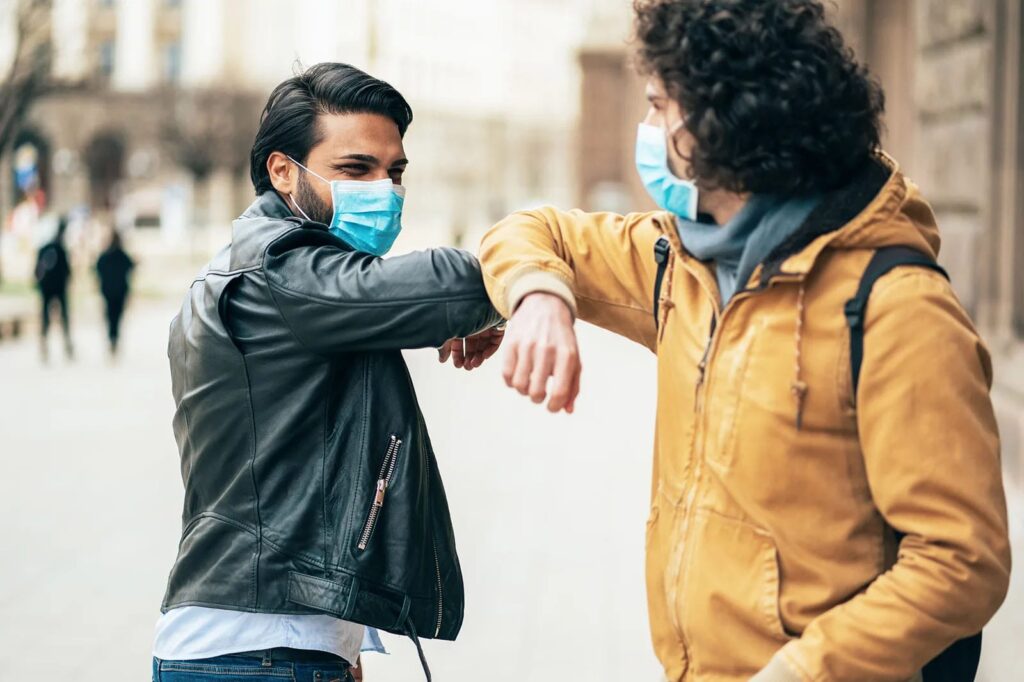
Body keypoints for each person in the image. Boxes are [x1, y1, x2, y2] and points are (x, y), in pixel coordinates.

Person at [478, 1, 1011, 680]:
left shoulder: (898, 308)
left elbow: (963, 560)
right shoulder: (680, 256)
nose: (648, 129)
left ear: (720, 120)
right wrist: (540, 296)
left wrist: (801, 672)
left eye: (657, 105)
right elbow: (532, 230)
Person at [153, 63, 503, 682]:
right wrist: (537, 259)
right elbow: (453, 281)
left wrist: (345, 653)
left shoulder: (252, 273)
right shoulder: (280, 271)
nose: (386, 189)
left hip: (271, 644)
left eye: (395, 171)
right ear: (283, 170)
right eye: (355, 169)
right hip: (261, 651)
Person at [34, 216, 73, 362]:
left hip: (46, 288)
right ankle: (66, 345)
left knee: (46, 316)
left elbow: (36, 270)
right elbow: (68, 271)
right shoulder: (61, 249)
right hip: (59, 288)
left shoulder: (44, 248)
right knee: (64, 317)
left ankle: (45, 343)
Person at [95, 229, 134, 356]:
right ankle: (114, 339)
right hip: (120, 291)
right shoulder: (122, 255)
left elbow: (98, 269)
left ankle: (112, 338)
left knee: (111, 316)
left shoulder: (105, 256)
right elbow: (131, 267)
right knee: (116, 317)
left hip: (108, 292)